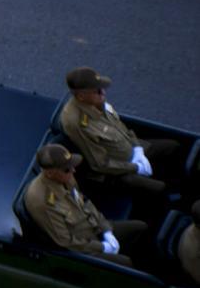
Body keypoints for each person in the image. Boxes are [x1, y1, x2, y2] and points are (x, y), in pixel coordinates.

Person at [55, 66, 184, 207]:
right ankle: (172, 209)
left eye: (101, 87)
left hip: (130, 150)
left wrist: (138, 149)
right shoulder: (77, 123)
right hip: (115, 172)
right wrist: (135, 167)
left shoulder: (98, 101)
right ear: (81, 96)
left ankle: (181, 191)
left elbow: (121, 128)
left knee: (173, 148)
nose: (102, 92)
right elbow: (99, 164)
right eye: (97, 90)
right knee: (159, 189)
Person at [23, 144, 146, 260]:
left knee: (140, 228)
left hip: (94, 227)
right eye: (67, 169)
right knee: (127, 264)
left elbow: (84, 202)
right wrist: (102, 247)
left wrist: (105, 229)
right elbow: (66, 242)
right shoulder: (42, 202)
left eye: (72, 166)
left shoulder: (66, 177)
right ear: (50, 173)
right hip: (85, 248)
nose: (73, 171)